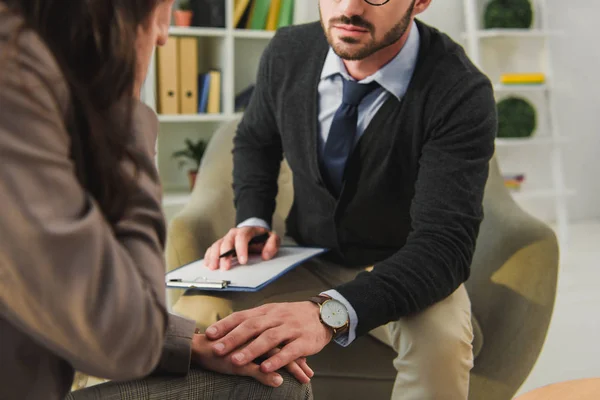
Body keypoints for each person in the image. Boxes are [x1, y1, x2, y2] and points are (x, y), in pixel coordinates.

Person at [183, 0, 498, 399]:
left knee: (443, 342)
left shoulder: (459, 89)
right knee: (194, 316)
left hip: (405, 265)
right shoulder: (288, 50)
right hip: (304, 255)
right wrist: (253, 220)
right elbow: (255, 140)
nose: (349, 8)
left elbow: (443, 246)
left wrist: (326, 312)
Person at [0, 1, 313, 399]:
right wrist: (125, 117)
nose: (165, 34)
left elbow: (54, 281)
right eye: (164, 7)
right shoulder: (15, 80)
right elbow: (128, 335)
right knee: (276, 388)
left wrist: (185, 345)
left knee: (268, 377)